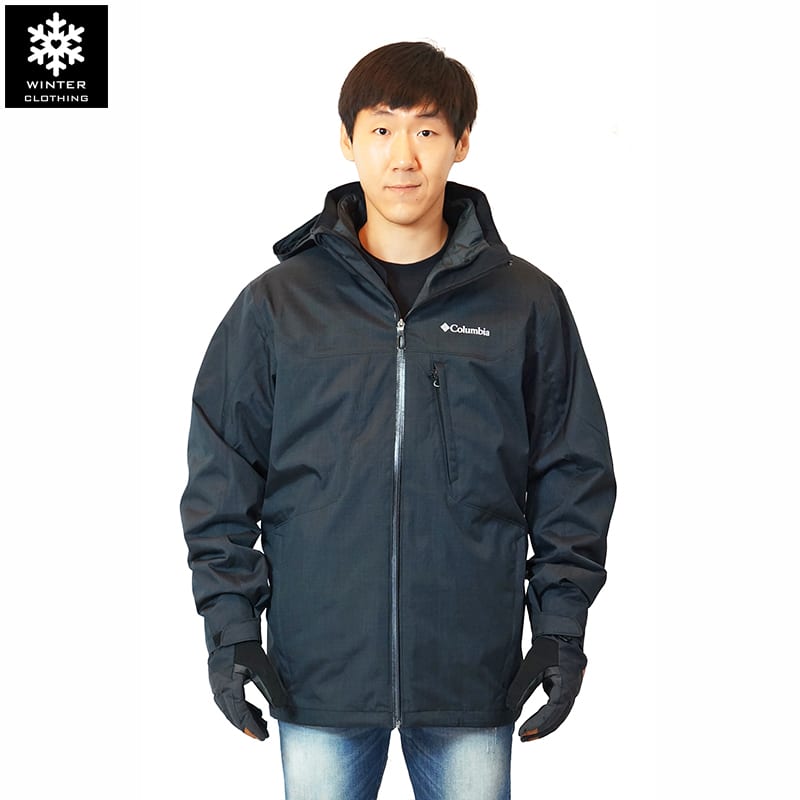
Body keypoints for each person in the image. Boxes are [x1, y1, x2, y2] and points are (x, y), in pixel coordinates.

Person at [180, 41, 616, 800]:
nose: (403, 156)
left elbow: (572, 472)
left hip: (469, 674)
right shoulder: (279, 305)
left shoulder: (526, 304)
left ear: (462, 143)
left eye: (427, 129)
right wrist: (232, 632)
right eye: (381, 129)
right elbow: (221, 476)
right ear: (347, 140)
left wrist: (559, 628)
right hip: (318, 675)